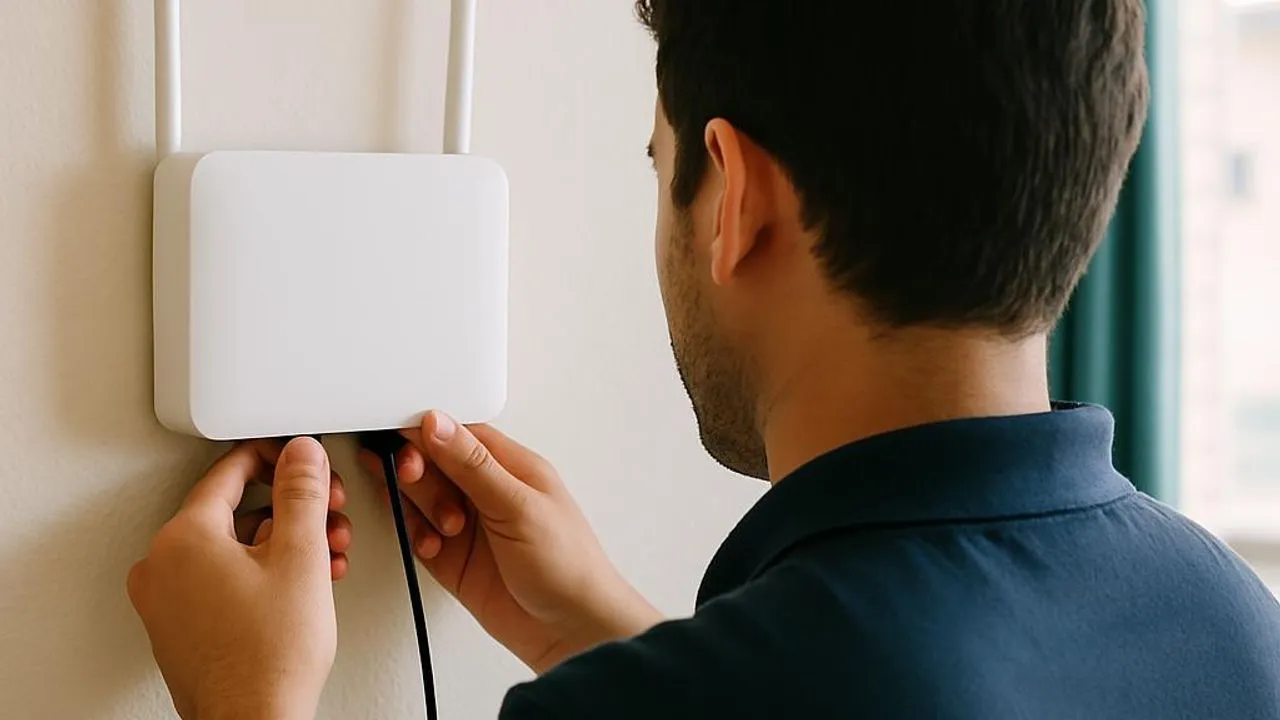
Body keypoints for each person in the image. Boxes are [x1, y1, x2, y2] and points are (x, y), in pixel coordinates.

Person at [126, 1, 1280, 717]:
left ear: (732, 198)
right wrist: (595, 635)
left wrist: (246, 701)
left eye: (656, 162)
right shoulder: (1231, 621)